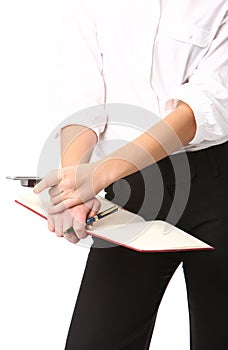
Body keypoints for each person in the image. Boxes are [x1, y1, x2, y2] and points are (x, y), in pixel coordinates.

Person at [35, 0, 228, 349]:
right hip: (133, 193)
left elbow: (206, 104)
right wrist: (73, 183)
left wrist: (98, 175)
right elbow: (80, 98)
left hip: (219, 184)